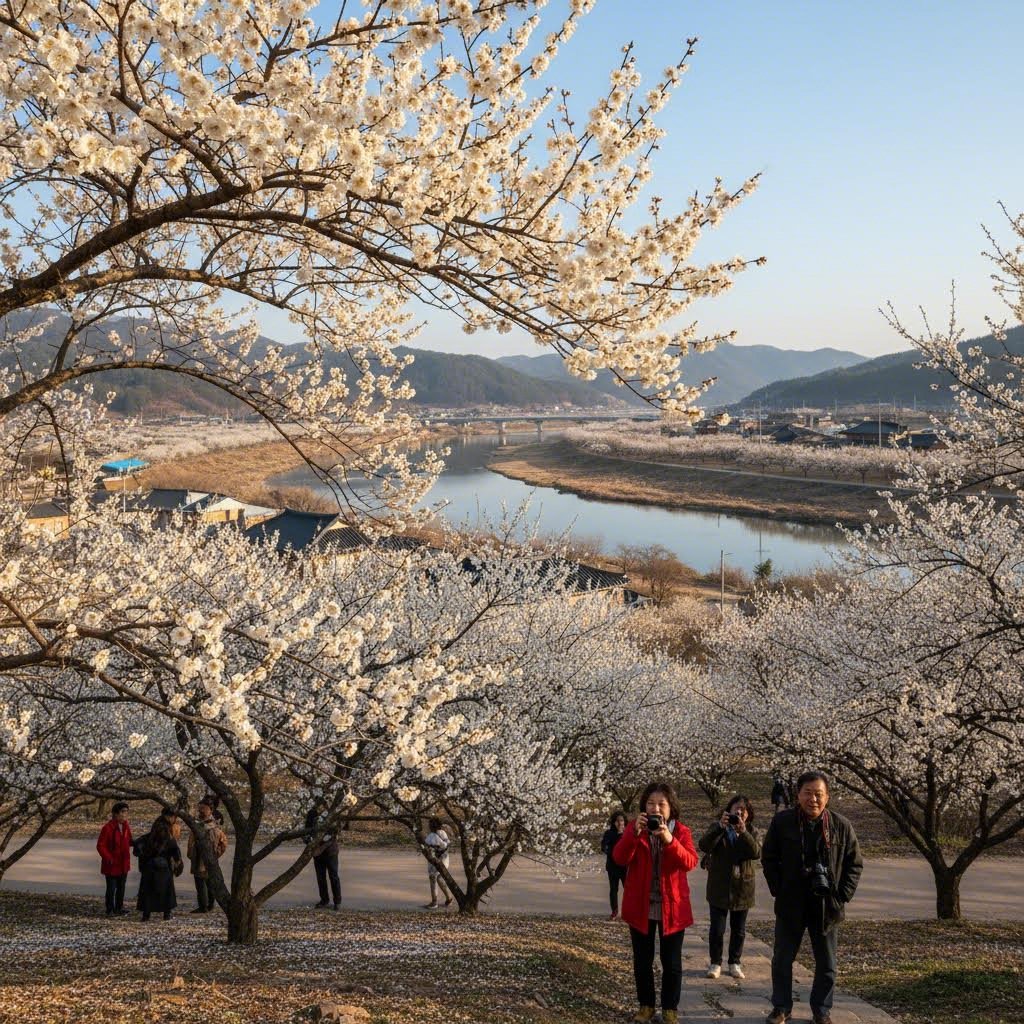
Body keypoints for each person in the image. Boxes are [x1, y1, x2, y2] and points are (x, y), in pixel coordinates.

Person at [762, 770, 863, 1024]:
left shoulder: (840, 826)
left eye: (819, 794)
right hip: (791, 903)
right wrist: (779, 888)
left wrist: (841, 896)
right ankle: (781, 1007)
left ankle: (821, 1010)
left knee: (827, 964)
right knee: (782, 960)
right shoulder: (782, 822)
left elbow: (854, 864)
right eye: (808, 793)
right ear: (798, 795)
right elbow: (769, 858)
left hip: (826, 905)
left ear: (827, 797)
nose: (813, 799)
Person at [613, 782, 699, 1024]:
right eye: (650, 803)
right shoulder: (634, 829)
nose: (655, 808)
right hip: (641, 906)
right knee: (642, 960)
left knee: (671, 963)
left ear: (671, 808)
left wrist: (669, 839)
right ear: (643, 807)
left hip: (673, 907)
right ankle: (646, 1006)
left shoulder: (681, 831)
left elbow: (690, 862)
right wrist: (633, 834)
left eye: (661, 804)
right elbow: (619, 858)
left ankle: (670, 1009)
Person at [698, 795, 761, 980]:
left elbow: (756, 852)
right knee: (717, 929)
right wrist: (719, 827)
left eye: (743, 809)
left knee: (739, 929)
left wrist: (744, 833)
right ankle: (715, 962)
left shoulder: (752, 831)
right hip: (719, 886)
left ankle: (735, 962)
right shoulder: (718, 827)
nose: (739, 812)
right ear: (728, 810)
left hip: (743, 887)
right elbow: (703, 845)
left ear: (748, 814)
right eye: (736, 808)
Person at [186, 796, 228, 913]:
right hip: (208, 858)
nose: (200, 810)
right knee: (209, 882)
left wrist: (192, 854)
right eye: (200, 808)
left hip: (202, 858)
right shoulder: (214, 825)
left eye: (203, 808)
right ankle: (209, 905)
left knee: (202, 883)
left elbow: (223, 843)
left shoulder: (205, 826)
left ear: (210, 810)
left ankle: (204, 906)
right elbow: (223, 844)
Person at [137, 815, 182, 921]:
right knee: (166, 892)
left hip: (150, 868)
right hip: (163, 868)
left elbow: (138, 848)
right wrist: (177, 863)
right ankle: (166, 914)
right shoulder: (168, 838)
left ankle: (146, 915)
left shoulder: (147, 838)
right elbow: (175, 852)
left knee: (149, 893)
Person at [96, 802, 133, 917]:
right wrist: (109, 858)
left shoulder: (126, 826)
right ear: (115, 814)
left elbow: (130, 841)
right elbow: (100, 846)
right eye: (122, 812)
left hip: (123, 863)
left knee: (121, 888)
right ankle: (110, 909)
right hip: (112, 864)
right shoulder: (108, 828)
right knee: (111, 889)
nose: (125, 815)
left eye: (126, 812)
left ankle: (119, 908)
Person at [304, 802, 341, 909]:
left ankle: (337, 901)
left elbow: (335, 833)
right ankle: (324, 900)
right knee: (321, 878)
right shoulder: (312, 813)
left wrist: (320, 847)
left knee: (333, 876)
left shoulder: (331, 813)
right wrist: (308, 842)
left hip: (330, 851)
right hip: (317, 851)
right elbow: (307, 830)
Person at [601, 809, 628, 920]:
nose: (619, 823)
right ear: (613, 822)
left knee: (628, 889)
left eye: (621, 820)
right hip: (612, 866)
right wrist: (611, 852)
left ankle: (628, 911)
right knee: (613, 889)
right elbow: (603, 847)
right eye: (617, 821)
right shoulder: (609, 833)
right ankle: (614, 911)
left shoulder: (628, 833)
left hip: (625, 866)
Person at [423, 817, 454, 909]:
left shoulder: (434, 835)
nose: (428, 826)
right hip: (444, 859)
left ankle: (434, 902)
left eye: (430, 825)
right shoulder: (442, 833)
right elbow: (446, 843)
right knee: (440, 879)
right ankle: (449, 898)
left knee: (433, 878)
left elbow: (431, 844)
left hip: (437, 859)